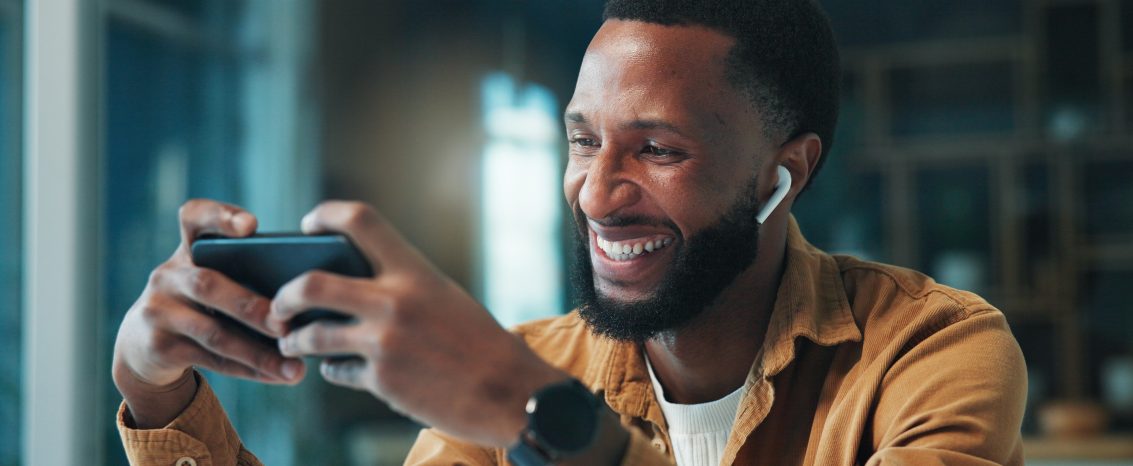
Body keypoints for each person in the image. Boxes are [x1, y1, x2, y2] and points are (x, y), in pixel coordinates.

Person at [112, 0, 1028, 465]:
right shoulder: (511, 373)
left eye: (657, 148)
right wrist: (157, 397)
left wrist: (548, 425)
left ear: (781, 175)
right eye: (582, 140)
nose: (594, 193)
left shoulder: (931, 351)